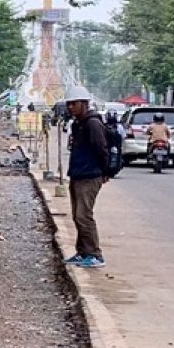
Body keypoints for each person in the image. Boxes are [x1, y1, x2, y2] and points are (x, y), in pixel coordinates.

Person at [63, 86, 109, 269]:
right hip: (78, 174)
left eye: (74, 104)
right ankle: (82, 252)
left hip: (90, 176)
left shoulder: (93, 124)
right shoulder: (78, 124)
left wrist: (104, 171)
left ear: (84, 104)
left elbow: (101, 149)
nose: (71, 108)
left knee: (84, 216)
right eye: (69, 104)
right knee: (77, 215)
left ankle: (95, 254)